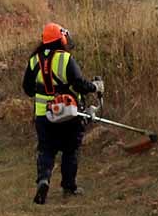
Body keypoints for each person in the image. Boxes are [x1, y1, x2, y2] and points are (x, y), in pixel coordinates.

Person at [21, 23, 103, 205]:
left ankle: (43, 180)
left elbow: (27, 89)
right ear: (61, 39)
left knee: (46, 149)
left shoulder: (34, 60)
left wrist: (44, 92)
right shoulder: (66, 59)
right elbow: (80, 84)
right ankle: (69, 186)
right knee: (70, 150)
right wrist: (95, 86)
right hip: (69, 113)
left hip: (44, 115)